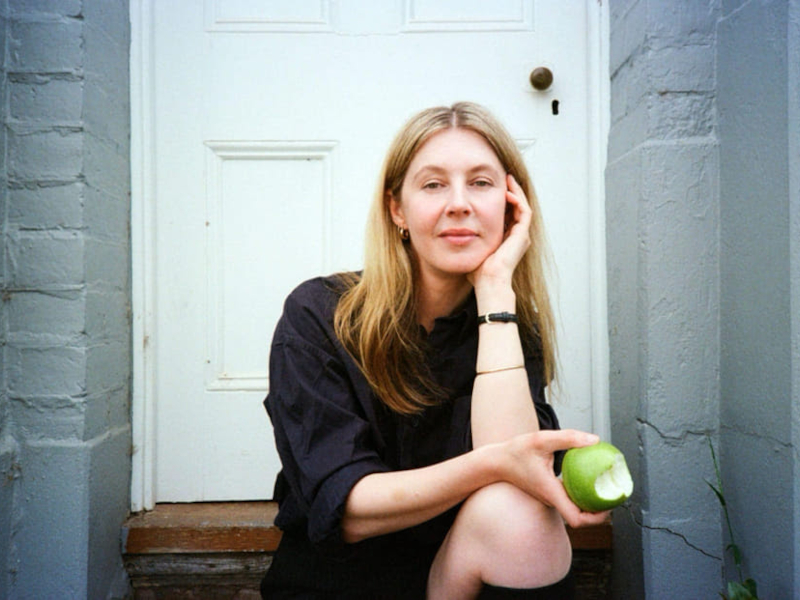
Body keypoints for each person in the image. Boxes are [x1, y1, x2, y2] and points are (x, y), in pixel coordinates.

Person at [261, 102, 608, 599]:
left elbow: (519, 483)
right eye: (433, 184)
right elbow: (349, 509)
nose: (460, 204)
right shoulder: (319, 314)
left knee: (521, 512)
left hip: (459, 577)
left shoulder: (506, 325)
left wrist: (494, 292)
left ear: (512, 207)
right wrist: (493, 465)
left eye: (482, 183)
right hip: (337, 584)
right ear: (397, 209)